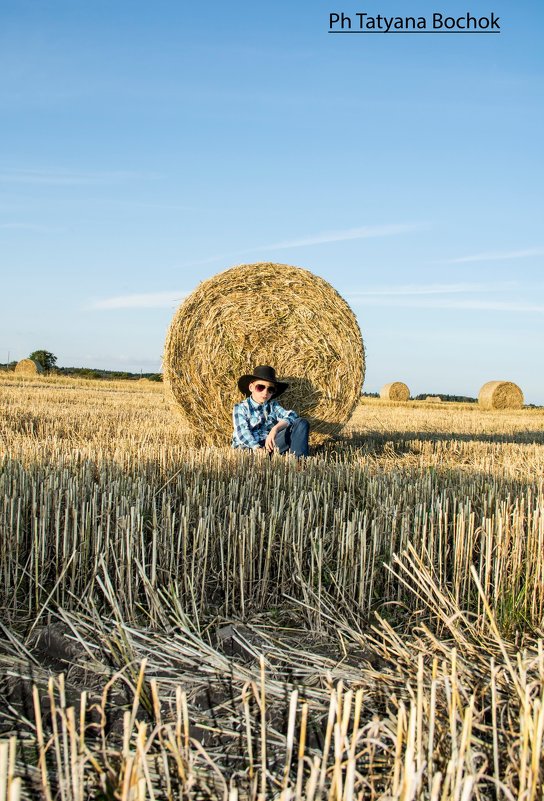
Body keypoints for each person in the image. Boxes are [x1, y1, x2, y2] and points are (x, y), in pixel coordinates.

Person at [232, 365, 310, 457]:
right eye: (260, 387)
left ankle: (298, 463)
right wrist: (257, 448)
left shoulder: (272, 405)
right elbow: (242, 432)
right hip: (249, 450)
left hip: (270, 446)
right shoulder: (240, 407)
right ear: (251, 387)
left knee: (301, 423)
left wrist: (275, 429)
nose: (265, 392)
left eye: (270, 389)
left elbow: (292, 415)